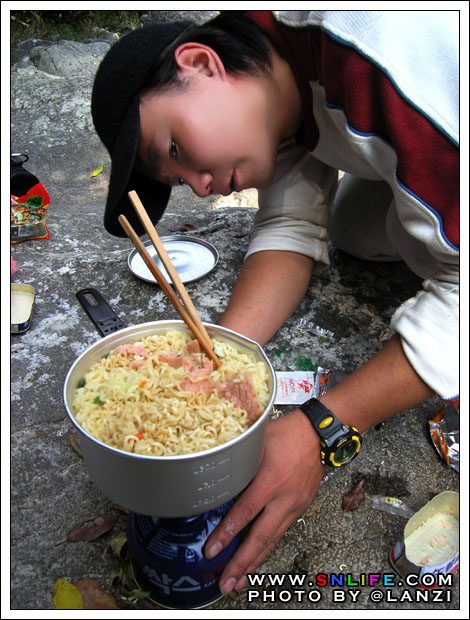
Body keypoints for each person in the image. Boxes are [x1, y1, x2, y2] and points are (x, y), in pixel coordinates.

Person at [91, 10, 459, 596]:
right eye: (182, 179)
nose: (202, 185)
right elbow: (290, 220)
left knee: (438, 265)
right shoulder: (273, 82)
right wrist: (220, 358)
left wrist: (322, 427)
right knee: (356, 230)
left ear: (200, 62)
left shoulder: (375, 48)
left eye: (178, 146)